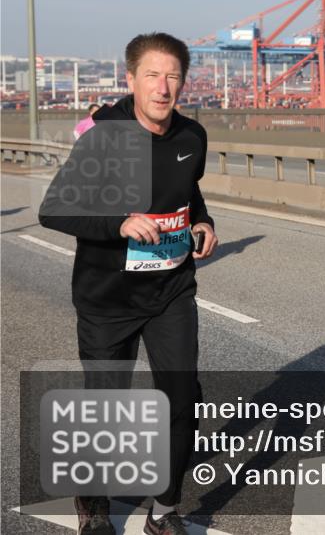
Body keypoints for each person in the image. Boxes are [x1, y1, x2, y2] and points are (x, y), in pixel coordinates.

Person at [39, 33, 218, 535]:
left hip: (171, 291)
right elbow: (54, 210)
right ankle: (94, 507)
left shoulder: (192, 137)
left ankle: (164, 509)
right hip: (107, 299)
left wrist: (203, 224)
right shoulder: (102, 136)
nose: (163, 88)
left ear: (183, 81)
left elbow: (190, 193)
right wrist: (118, 222)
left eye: (173, 77)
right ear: (131, 80)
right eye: (152, 76)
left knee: (181, 398)